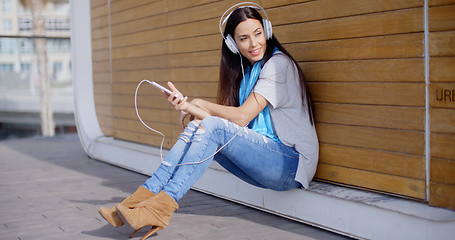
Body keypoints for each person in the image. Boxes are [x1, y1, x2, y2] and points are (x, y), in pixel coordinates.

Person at [99, 3, 318, 239]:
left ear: (267, 29)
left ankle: (159, 208)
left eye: (258, 33)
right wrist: (188, 107)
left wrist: (198, 104)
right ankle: (140, 201)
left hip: (291, 165)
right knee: (198, 126)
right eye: (244, 38)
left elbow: (242, 118)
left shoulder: (278, 65)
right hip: (271, 160)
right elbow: (230, 130)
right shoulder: (247, 74)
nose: (254, 44)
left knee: (211, 126)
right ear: (233, 45)